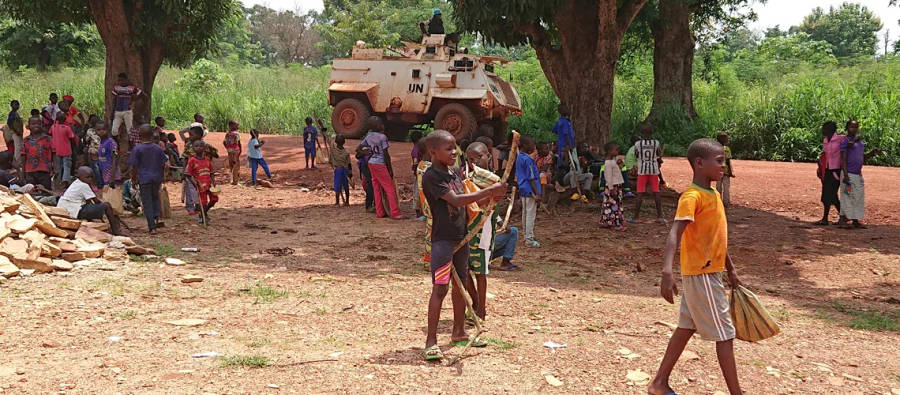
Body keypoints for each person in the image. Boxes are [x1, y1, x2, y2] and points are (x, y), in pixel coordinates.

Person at [648, 138, 741, 395]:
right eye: (719, 161)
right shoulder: (691, 197)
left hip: (710, 271)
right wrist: (666, 272)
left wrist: (730, 268)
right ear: (699, 163)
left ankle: (659, 383)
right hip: (702, 275)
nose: (724, 166)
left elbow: (717, 237)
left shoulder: (714, 194)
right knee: (725, 334)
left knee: (686, 328)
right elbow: (674, 234)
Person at [421, 130, 505, 361]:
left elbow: (469, 198)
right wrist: (490, 190)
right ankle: (431, 341)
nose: (454, 152)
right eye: (448, 149)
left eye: (455, 147)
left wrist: (491, 198)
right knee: (440, 288)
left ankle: (459, 332)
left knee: (461, 287)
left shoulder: (455, 173)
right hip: (443, 241)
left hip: (461, 238)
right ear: (433, 152)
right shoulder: (432, 177)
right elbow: (456, 201)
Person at [462, 142, 497, 320]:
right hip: (466, 231)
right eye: (471, 159)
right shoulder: (466, 177)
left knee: (480, 272)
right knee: (465, 270)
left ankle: (481, 310)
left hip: (483, 232)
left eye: (478, 157)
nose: (474, 162)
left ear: (488, 156)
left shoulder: (493, 180)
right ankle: (475, 303)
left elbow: (488, 203)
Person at [839, 120, 882, 229]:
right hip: (848, 175)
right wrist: (845, 175)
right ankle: (843, 219)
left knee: (858, 196)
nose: (854, 129)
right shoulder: (846, 142)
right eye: (851, 127)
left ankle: (855, 220)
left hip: (857, 175)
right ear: (847, 128)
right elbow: (843, 159)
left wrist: (872, 153)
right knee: (847, 195)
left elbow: (862, 158)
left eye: (856, 127)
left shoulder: (860, 144)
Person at [56, 166, 123, 235]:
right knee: (107, 205)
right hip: (72, 211)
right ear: (79, 177)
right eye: (87, 177)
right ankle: (116, 231)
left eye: (91, 177)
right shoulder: (84, 185)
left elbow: (88, 201)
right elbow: (96, 201)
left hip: (69, 209)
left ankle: (92, 223)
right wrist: (108, 209)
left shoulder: (77, 182)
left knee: (90, 205)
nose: (90, 179)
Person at [361, 116, 403, 219]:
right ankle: (395, 212)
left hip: (371, 163)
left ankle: (380, 212)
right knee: (390, 188)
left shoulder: (368, 136)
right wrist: (390, 169)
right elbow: (386, 154)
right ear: (376, 126)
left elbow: (360, 147)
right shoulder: (382, 137)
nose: (382, 125)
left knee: (377, 188)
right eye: (380, 123)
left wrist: (368, 152)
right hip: (380, 164)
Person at [129, 124, 168, 233]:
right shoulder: (157, 148)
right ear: (152, 135)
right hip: (156, 178)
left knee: (147, 202)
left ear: (139, 135)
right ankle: (156, 218)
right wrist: (163, 175)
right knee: (155, 197)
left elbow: (134, 167)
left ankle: (152, 227)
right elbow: (164, 163)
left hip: (144, 179)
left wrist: (133, 179)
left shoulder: (137, 149)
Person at [631, 123, 665, 224]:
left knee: (640, 193)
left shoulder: (638, 144)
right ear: (652, 132)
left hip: (642, 171)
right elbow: (658, 154)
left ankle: (636, 217)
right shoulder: (656, 143)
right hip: (653, 170)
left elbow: (637, 155)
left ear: (642, 133)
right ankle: (660, 216)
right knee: (656, 192)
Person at [816, 121, 845, 225]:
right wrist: (820, 167)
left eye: (824, 128)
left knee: (831, 194)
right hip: (827, 170)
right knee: (827, 195)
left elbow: (853, 139)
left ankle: (836, 217)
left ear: (829, 130)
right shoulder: (825, 140)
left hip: (836, 170)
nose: (822, 130)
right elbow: (824, 154)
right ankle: (840, 216)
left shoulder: (841, 139)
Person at [516, 136, 542, 247]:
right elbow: (531, 177)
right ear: (526, 146)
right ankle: (529, 239)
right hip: (530, 190)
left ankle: (525, 236)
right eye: (532, 144)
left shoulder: (519, 158)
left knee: (525, 214)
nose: (534, 146)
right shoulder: (528, 160)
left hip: (523, 189)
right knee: (530, 214)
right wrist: (537, 193)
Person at [186, 140, 217, 224]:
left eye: (200, 146)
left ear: (204, 148)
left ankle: (203, 213)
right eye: (196, 146)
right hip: (200, 185)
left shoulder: (207, 160)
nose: (198, 148)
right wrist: (194, 184)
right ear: (193, 148)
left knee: (214, 199)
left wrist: (214, 182)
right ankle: (203, 216)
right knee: (203, 203)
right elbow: (188, 174)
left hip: (209, 184)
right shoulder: (192, 160)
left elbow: (211, 172)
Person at [21, 117, 53, 190]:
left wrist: (55, 169)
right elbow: (23, 157)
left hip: (45, 171)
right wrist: (22, 172)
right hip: (30, 172)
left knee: (45, 191)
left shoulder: (48, 139)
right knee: (31, 192)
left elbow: (54, 154)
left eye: (39, 124)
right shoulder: (26, 140)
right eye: (33, 124)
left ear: (42, 125)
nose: (36, 126)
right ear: (28, 126)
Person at [600, 141, 626, 231]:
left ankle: (607, 221)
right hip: (613, 187)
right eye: (616, 150)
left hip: (615, 186)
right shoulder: (608, 163)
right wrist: (612, 188)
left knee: (610, 205)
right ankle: (615, 223)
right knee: (614, 206)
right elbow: (608, 177)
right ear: (610, 151)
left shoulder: (612, 161)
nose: (618, 151)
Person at [49, 112, 77, 190]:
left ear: (57, 119)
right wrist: (74, 148)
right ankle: (65, 182)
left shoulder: (53, 127)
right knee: (67, 166)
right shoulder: (67, 128)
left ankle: (57, 184)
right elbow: (71, 138)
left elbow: (50, 135)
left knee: (57, 167)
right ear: (65, 119)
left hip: (56, 150)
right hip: (66, 150)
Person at [110, 73, 142, 137]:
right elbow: (114, 99)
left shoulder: (131, 87)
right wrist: (112, 112)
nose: (120, 82)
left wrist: (132, 100)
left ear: (126, 80)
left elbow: (140, 93)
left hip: (127, 111)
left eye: (122, 80)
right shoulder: (116, 88)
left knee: (130, 130)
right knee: (114, 131)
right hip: (118, 111)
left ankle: (131, 144)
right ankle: (117, 143)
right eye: (119, 80)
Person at [551, 104, 575, 173]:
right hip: (565, 145)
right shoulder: (565, 122)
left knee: (561, 160)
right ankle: (563, 175)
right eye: (566, 109)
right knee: (566, 161)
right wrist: (569, 144)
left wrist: (559, 135)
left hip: (561, 144)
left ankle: (560, 174)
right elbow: (566, 134)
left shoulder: (560, 121)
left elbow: (554, 129)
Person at [716, 132, 734, 208]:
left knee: (718, 187)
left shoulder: (715, 148)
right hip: (725, 170)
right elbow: (728, 161)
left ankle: (718, 202)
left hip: (717, 170)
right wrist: (730, 171)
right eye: (726, 138)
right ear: (724, 140)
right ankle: (726, 203)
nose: (728, 139)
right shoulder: (727, 149)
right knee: (726, 187)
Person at [356, 143, 375, 212]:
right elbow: (357, 155)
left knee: (373, 184)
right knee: (370, 184)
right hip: (365, 166)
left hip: (372, 165)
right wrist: (365, 153)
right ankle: (368, 205)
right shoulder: (365, 143)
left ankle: (374, 204)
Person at [223, 120, 242, 185]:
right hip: (235, 151)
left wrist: (227, 148)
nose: (237, 126)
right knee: (236, 164)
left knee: (231, 164)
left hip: (229, 151)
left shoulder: (227, 134)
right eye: (236, 125)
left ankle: (231, 179)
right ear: (231, 126)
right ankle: (235, 181)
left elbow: (224, 142)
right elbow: (239, 143)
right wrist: (240, 150)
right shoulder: (236, 134)